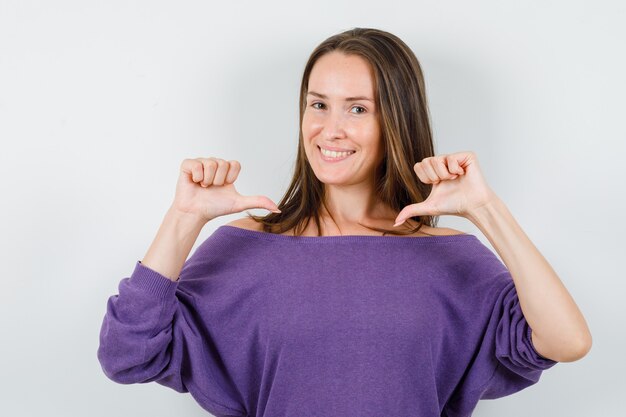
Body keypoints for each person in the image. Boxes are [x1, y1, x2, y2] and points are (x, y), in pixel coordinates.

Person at [97, 27, 591, 417]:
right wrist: (183, 220)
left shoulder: (451, 257)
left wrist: (485, 210)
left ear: (396, 122)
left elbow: (567, 341)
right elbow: (125, 355)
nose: (329, 129)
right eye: (318, 104)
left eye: (358, 108)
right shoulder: (244, 247)